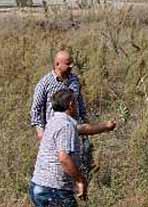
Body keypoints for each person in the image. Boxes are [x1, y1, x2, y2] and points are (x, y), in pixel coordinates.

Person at [30, 50, 116, 178]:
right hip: (55, 130)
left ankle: (82, 181)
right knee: (58, 162)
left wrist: (84, 119)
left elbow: (79, 101)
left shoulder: (75, 80)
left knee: (83, 156)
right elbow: (36, 109)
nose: (71, 66)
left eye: (72, 64)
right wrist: (41, 133)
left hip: (76, 127)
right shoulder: (45, 83)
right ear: (57, 64)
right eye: (68, 64)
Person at [28, 89, 87, 207]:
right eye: (75, 103)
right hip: (53, 190)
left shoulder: (55, 121)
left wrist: (106, 127)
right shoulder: (66, 126)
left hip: (39, 186)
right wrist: (80, 180)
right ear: (70, 104)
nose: (77, 106)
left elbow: (84, 129)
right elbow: (64, 158)